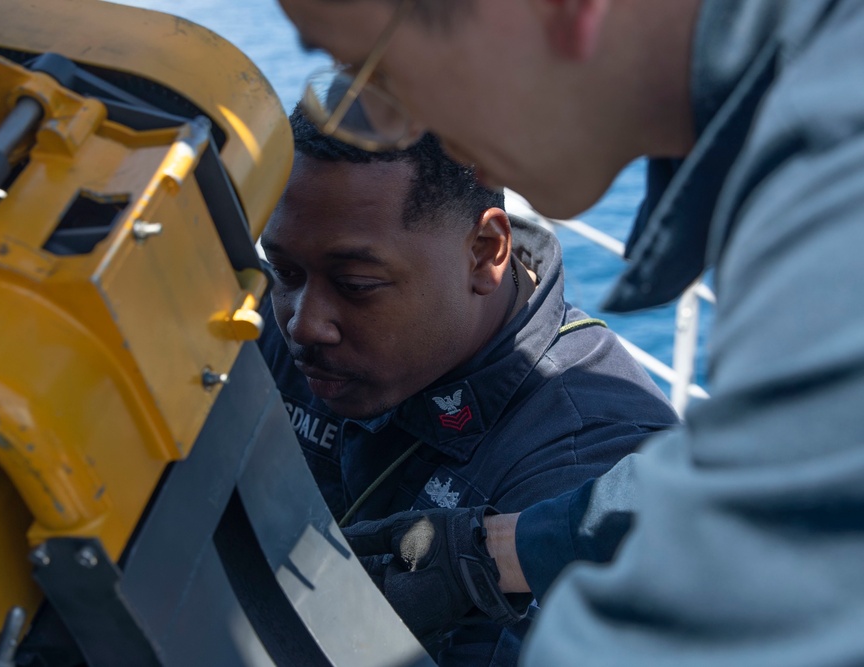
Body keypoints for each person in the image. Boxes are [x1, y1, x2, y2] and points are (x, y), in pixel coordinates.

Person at [276, 0, 864, 665]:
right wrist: (499, 550)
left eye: (382, 78)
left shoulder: (842, 181)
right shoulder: (807, 131)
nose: (386, 126)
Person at [257, 106, 678, 665]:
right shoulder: (268, 324)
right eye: (285, 273)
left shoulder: (585, 463)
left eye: (357, 284)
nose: (304, 324)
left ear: (486, 253)